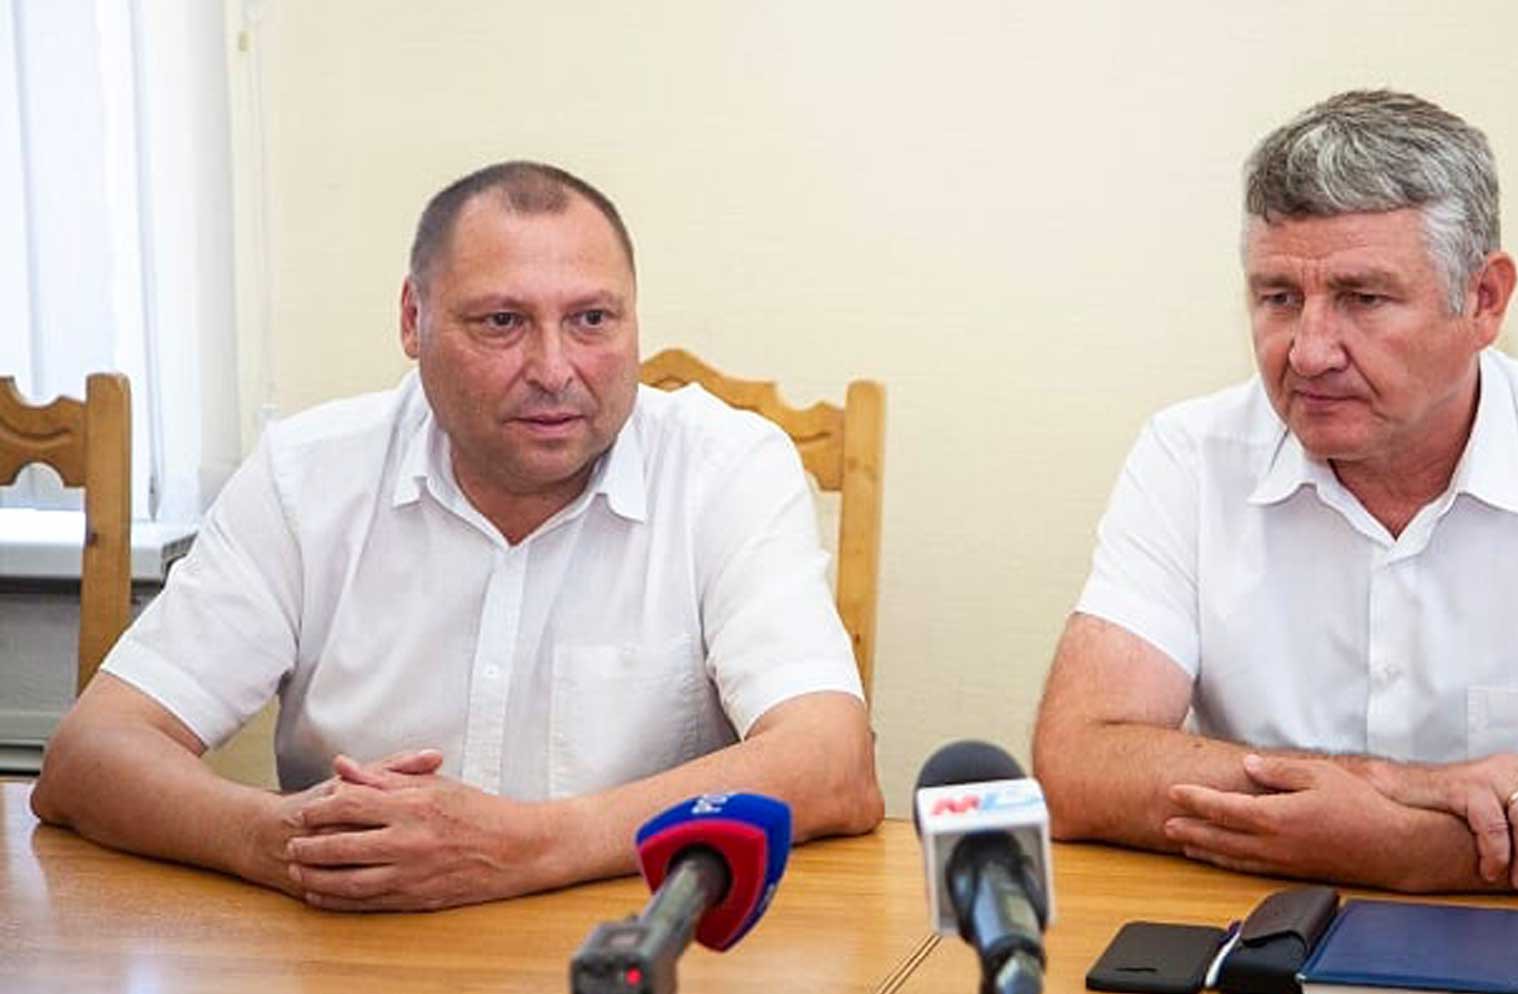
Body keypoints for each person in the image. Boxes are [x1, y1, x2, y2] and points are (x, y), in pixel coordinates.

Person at [31, 161, 883, 911]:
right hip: (356, 949)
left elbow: (831, 765)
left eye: (592, 319)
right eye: (501, 322)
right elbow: (90, 755)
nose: (554, 369)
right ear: (414, 320)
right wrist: (278, 839)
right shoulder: (307, 477)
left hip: (640, 946)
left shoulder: (725, 469)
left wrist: (523, 848)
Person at [1032, 91, 1518, 892]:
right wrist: (1403, 788)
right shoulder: (1190, 457)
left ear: (1485, 299)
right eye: (1278, 298)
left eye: (1364, 299)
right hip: (1265, 932)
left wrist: (1416, 849)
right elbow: (1079, 764)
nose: (1309, 352)